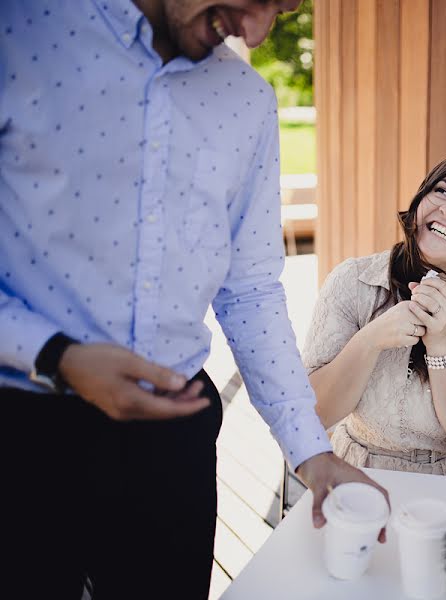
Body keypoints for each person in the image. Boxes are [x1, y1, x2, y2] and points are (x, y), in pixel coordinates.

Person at [0, 1, 386, 598]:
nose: (256, 31)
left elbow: (251, 288)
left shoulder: (248, 101)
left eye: (282, 11)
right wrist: (57, 355)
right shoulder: (20, 29)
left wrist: (311, 451)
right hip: (21, 431)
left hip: (172, 444)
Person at [304, 149, 446, 481]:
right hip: (359, 477)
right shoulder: (354, 282)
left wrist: (441, 343)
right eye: (442, 190)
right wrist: (370, 340)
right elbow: (312, 415)